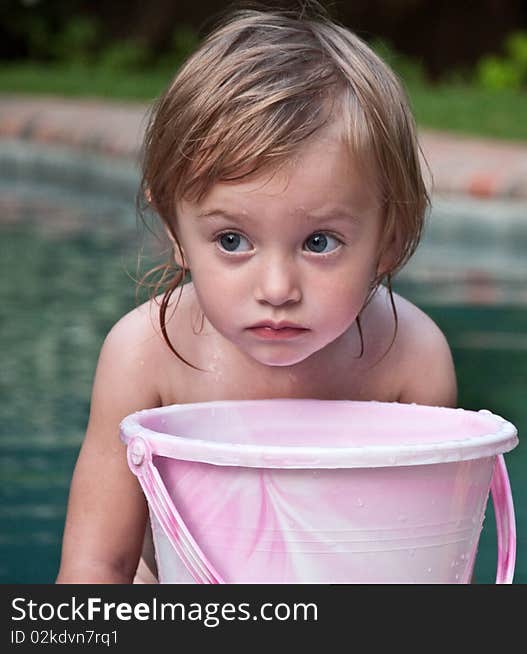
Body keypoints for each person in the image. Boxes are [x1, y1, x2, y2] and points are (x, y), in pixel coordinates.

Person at [55, 7, 457, 583]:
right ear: (175, 231)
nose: (276, 290)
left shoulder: (410, 359)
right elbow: (98, 565)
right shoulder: (144, 356)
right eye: (232, 239)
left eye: (320, 242)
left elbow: (433, 560)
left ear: (387, 241)